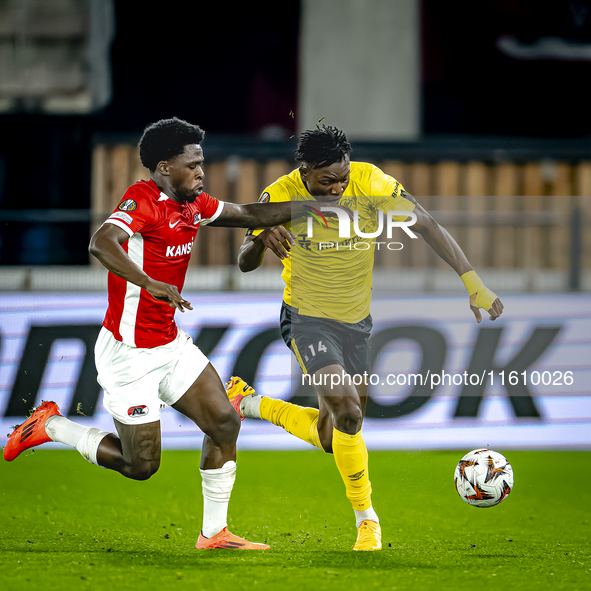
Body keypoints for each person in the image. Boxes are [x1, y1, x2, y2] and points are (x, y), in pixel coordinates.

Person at [2, 117, 346, 551]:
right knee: (140, 465)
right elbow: (101, 242)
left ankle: (213, 533)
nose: (202, 172)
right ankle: (50, 426)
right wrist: (147, 281)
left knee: (223, 422)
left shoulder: (193, 205)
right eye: (194, 164)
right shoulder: (141, 201)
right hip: (128, 353)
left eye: (203, 163)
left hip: (168, 343)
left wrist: (314, 207)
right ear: (165, 167)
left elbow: (249, 214)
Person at [225, 125, 504, 551]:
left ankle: (248, 402)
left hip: (356, 322)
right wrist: (261, 237)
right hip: (306, 318)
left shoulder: (371, 181)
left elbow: (425, 223)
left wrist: (473, 283)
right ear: (304, 171)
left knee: (330, 435)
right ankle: (367, 521)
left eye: (341, 177)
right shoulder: (278, 194)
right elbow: (244, 262)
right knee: (350, 415)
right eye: (326, 181)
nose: (337, 188)